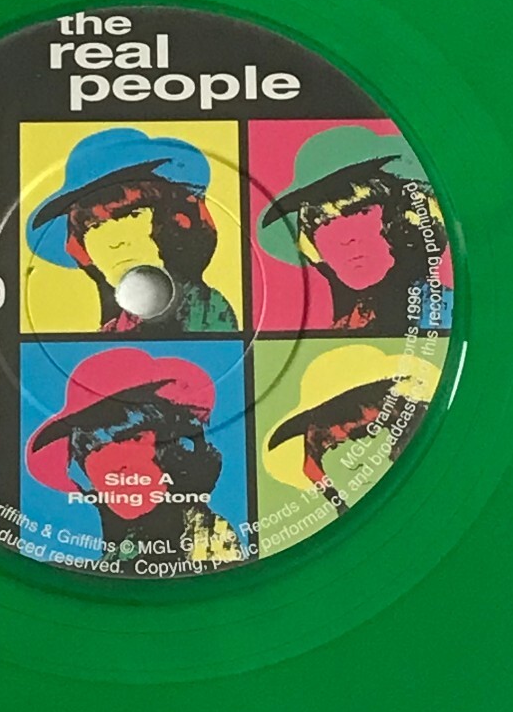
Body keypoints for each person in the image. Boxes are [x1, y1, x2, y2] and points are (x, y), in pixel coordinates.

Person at [26, 348, 244, 571]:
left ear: (172, 444)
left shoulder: (213, 540)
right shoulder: (87, 565)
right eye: (95, 448)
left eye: (132, 438)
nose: (116, 464)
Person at [26, 128, 238, 333]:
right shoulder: (112, 331)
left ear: (171, 220)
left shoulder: (209, 313)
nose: (115, 241)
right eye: (95, 225)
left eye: (133, 214)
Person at [258, 125, 452, 333]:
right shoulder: (344, 327)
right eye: (325, 222)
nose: (346, 238)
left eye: (362, 212)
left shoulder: (444, 311)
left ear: (398, 220)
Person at [263, 345, 442, 516]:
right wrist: (339, 504)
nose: (339, 438)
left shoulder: (393, 403)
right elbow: (310, 468)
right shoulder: (315, 429)